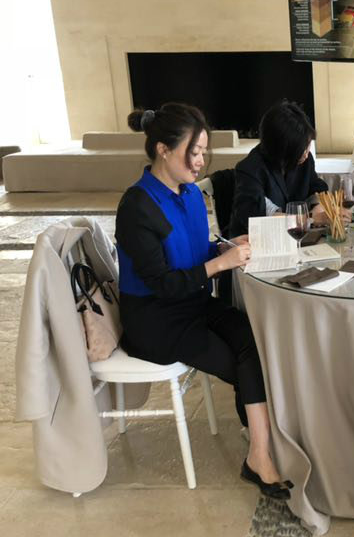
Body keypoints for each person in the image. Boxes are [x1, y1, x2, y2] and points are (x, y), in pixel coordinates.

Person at [115, 103, 292, 499]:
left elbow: (195, 253)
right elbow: (163, 284)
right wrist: (220, 264)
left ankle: (259, 449)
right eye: (193, 152)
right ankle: (261, 452)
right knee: (241, 364)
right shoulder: (137, 207)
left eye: (203, 152)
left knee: (254, 342)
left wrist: (225, 246)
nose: (200, 161)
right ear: (163, 150)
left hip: (192, 302)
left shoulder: (192, 194)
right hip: (155, 319)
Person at [229, 100, 350, 238]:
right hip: (257, 241)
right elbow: (258, 217)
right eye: (300, 148)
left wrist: (319, 207)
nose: (306, 153)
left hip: (295, 238)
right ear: (282, 148)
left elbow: (316, 187)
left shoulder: (304, 160)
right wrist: (311, 218)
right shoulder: (250, 169)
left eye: (308, 145)